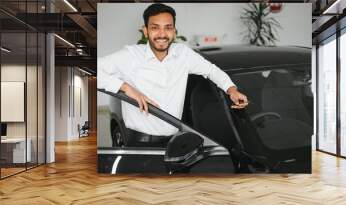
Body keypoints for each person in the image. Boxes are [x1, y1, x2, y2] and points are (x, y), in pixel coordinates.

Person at [98, 3, 248, 146]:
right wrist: (126, 88)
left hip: (175, 140)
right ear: (145, 31)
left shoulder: (184, 54)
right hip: (140, 142)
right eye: (155, 28)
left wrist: (232, 90)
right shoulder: (131, 55)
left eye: (168, 28)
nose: (162, 34)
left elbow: (211, 70)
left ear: (174, 31)